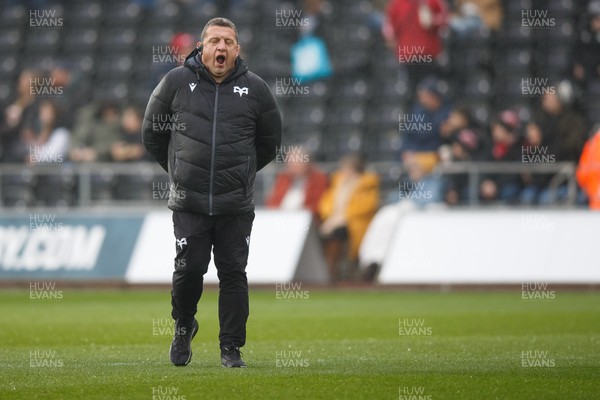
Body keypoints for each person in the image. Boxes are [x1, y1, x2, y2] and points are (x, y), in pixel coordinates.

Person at [142, 18, 282, 368]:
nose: (221, 48)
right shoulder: (175, 81)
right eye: (215, 41)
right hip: (189, 202)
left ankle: (231, 348)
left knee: (233, 274)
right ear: (201, 47)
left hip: (235, 204)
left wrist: (240, 175)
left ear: (237, 50)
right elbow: (151, 133)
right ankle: (184, 324)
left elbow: (269, 143)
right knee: (189, 271)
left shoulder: (256, 89)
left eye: (229, 42)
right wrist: (179, 171)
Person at [318, 154, 380, 283]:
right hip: (334, 222)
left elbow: (366, 207)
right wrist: (331, 218)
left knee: (337, 234)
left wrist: (341, 218)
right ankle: (328, 269)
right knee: (319, 233)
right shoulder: (337, 185)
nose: (344, 172)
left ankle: (333, 270)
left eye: (348, 169)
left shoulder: (367, 184)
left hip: (356, 224)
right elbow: (325, 204)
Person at [265, 147, 328, 220]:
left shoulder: (318, 179)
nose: (292, 165)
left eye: (296, 162)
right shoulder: (283, 179)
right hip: (279, 218)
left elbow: (316, 206)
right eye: (289, 162)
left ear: (307, 162)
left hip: (304, 220)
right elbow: (272, 202)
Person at [577, 127, 600, 209]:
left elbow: (582, 172)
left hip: (593, 200)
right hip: (593, 200)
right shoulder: (592, 143)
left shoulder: (591, 143)